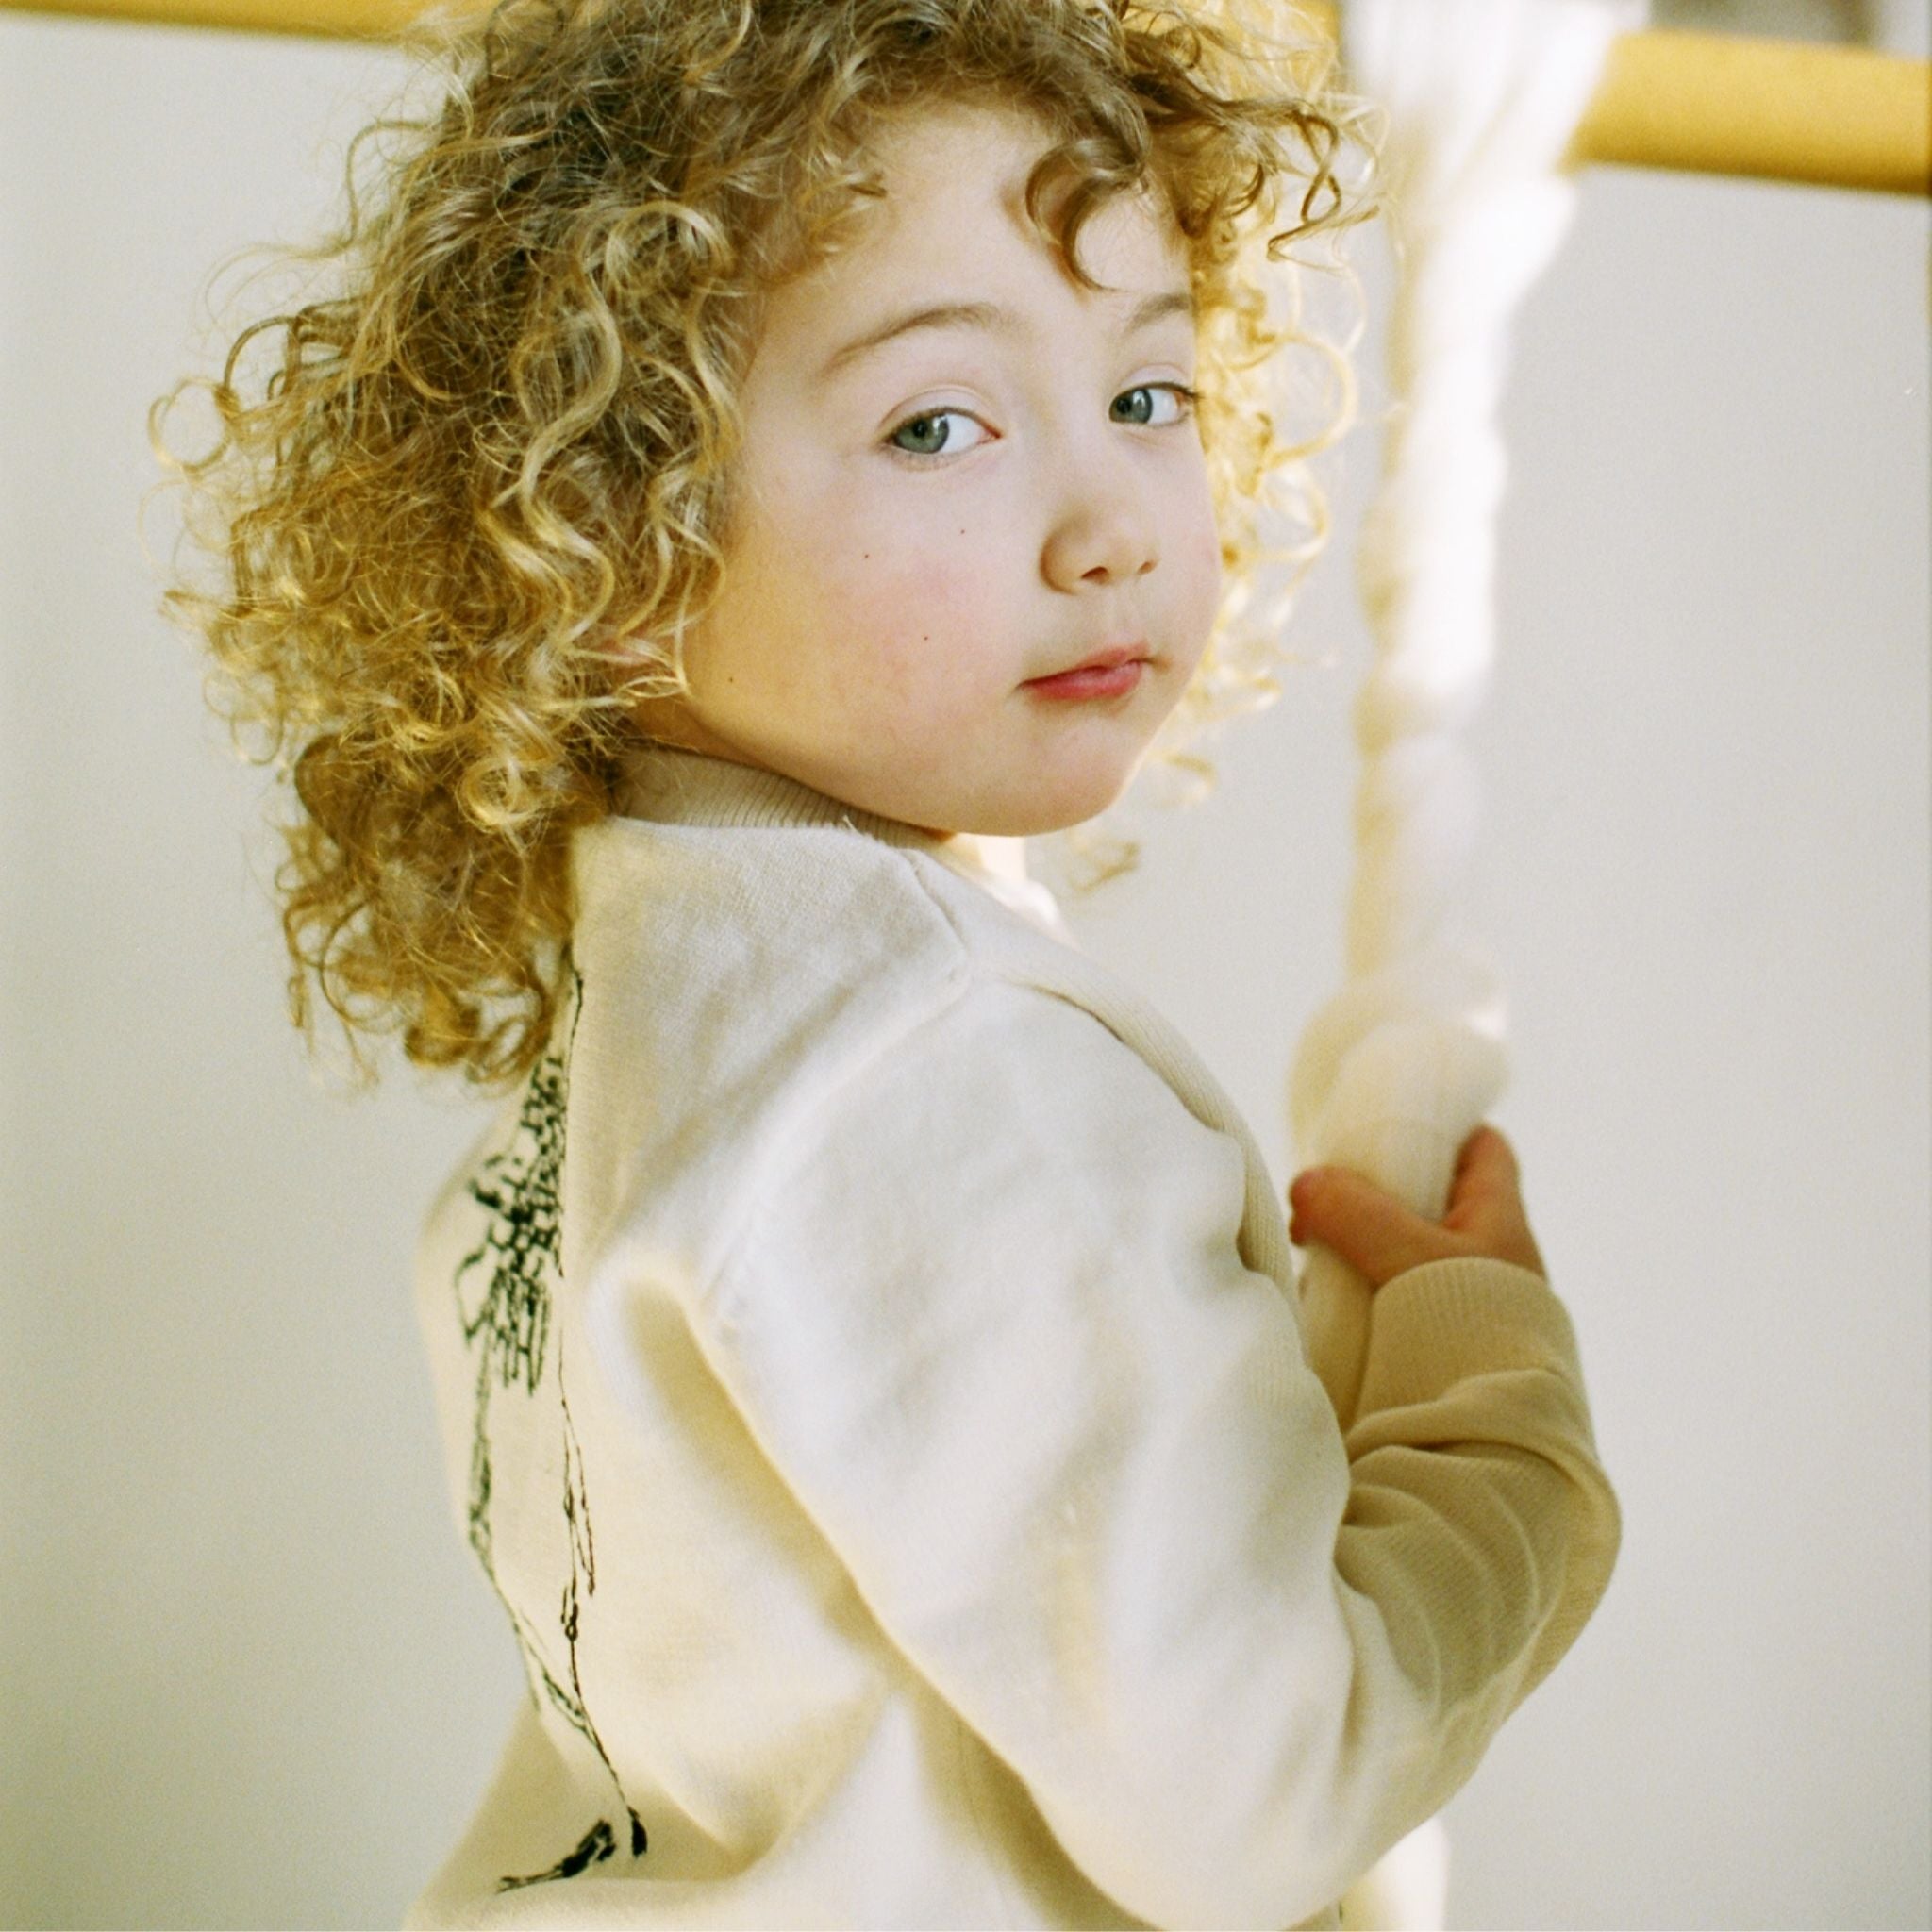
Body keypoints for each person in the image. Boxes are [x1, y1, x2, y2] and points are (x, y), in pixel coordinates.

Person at [152, 1, 1620, 1925]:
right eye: (939, 422)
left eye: (1148, 396)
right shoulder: (939, 1072)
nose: (1107, 525)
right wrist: (1492, 1423)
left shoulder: (614, 1092)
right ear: (601, 540)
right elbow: (1261, 1792)